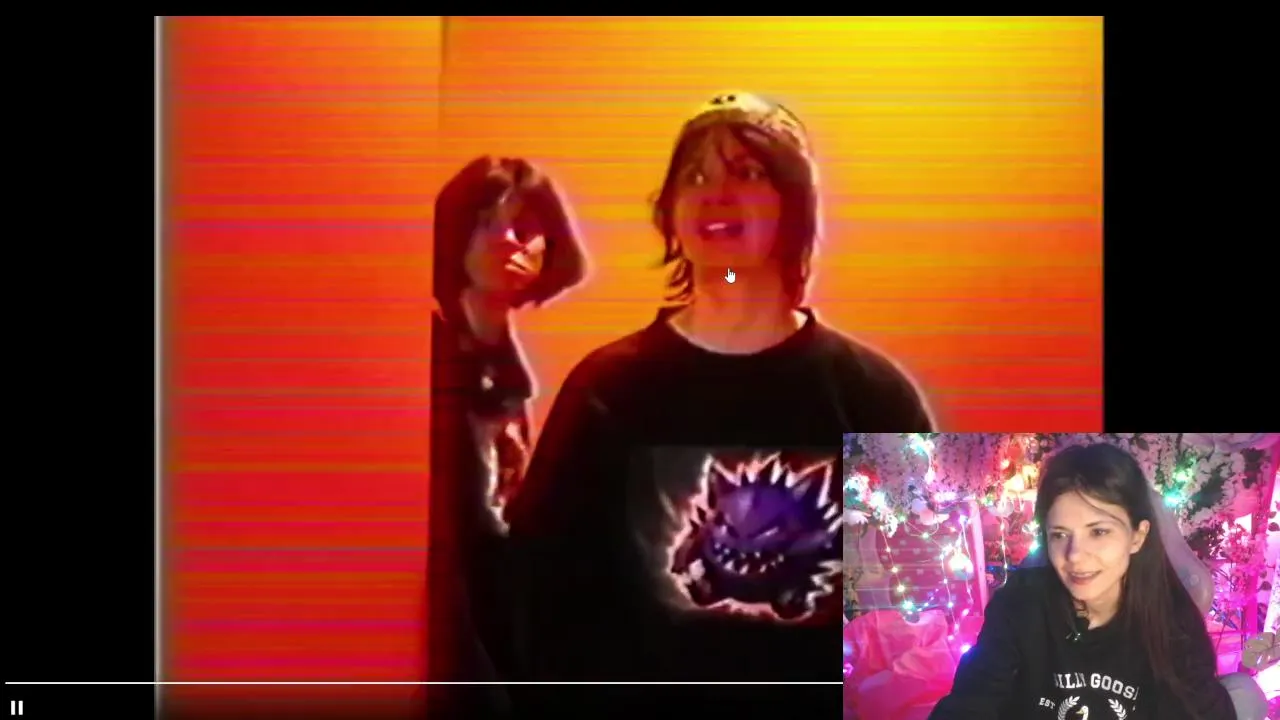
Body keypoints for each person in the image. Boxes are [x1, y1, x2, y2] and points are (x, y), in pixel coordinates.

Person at [502, 91, 933, 690]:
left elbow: (918, 616)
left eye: (747, 173)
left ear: (795, 207)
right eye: (696, 177)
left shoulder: (874, 397)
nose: (716, 195)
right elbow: (541, 604)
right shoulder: (607, 390)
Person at [426, 156, 586, 711]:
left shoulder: (513, 376)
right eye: (486, 223)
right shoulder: (427, 358)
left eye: (525, 226)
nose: (508, 241)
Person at [928, 443, 1237, 720]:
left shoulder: (1172, 621)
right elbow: (973, 698)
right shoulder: (1021, 603)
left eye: (1098, 532)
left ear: (1137, 536)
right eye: (1060, 534)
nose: (1074, 555)